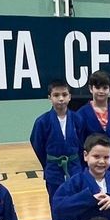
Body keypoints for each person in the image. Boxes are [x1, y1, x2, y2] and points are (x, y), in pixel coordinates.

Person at [30, 79, 85, 207]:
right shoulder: (42, 121)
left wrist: (78, 164)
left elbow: (82, 143)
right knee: (56, 203)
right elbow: (37, 144)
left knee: (77, 201)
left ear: (70, 97)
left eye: (64, 95)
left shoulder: (77, 119)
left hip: (74, 166)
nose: (61, 99)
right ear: (49, 97)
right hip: (53, 168)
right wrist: (49, 162)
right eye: (56, 95)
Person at [73, 69, 110, 149]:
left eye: (105, 88)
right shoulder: (81, 114)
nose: (101, 91)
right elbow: (78, 142)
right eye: (97, 87)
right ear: (90, 88)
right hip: (91, 158)